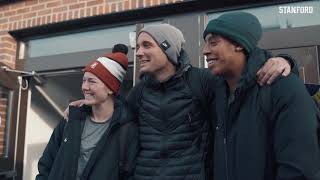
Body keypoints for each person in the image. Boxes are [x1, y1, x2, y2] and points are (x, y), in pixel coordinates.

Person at [64, 25, 294, 179]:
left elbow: (242, 80)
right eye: (138, 47)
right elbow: (113, 116)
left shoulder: (202, 81)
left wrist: (284, 60)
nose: (139, 53)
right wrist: (87, 104)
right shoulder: (139, 92)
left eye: (147, 45)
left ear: (168, 50)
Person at [202, 11, 320, 180]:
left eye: (213, 43)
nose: (205, 51)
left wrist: (287, 61)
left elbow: (299, 169)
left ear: (239, 44)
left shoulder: (284, 88)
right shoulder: (217, 92)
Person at [36, 44, 138, 180]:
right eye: (83, 80)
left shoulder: (126, 129)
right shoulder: (71, 119)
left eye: (92, 81)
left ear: (110, 88)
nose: (84, 87)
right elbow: (46, 163)